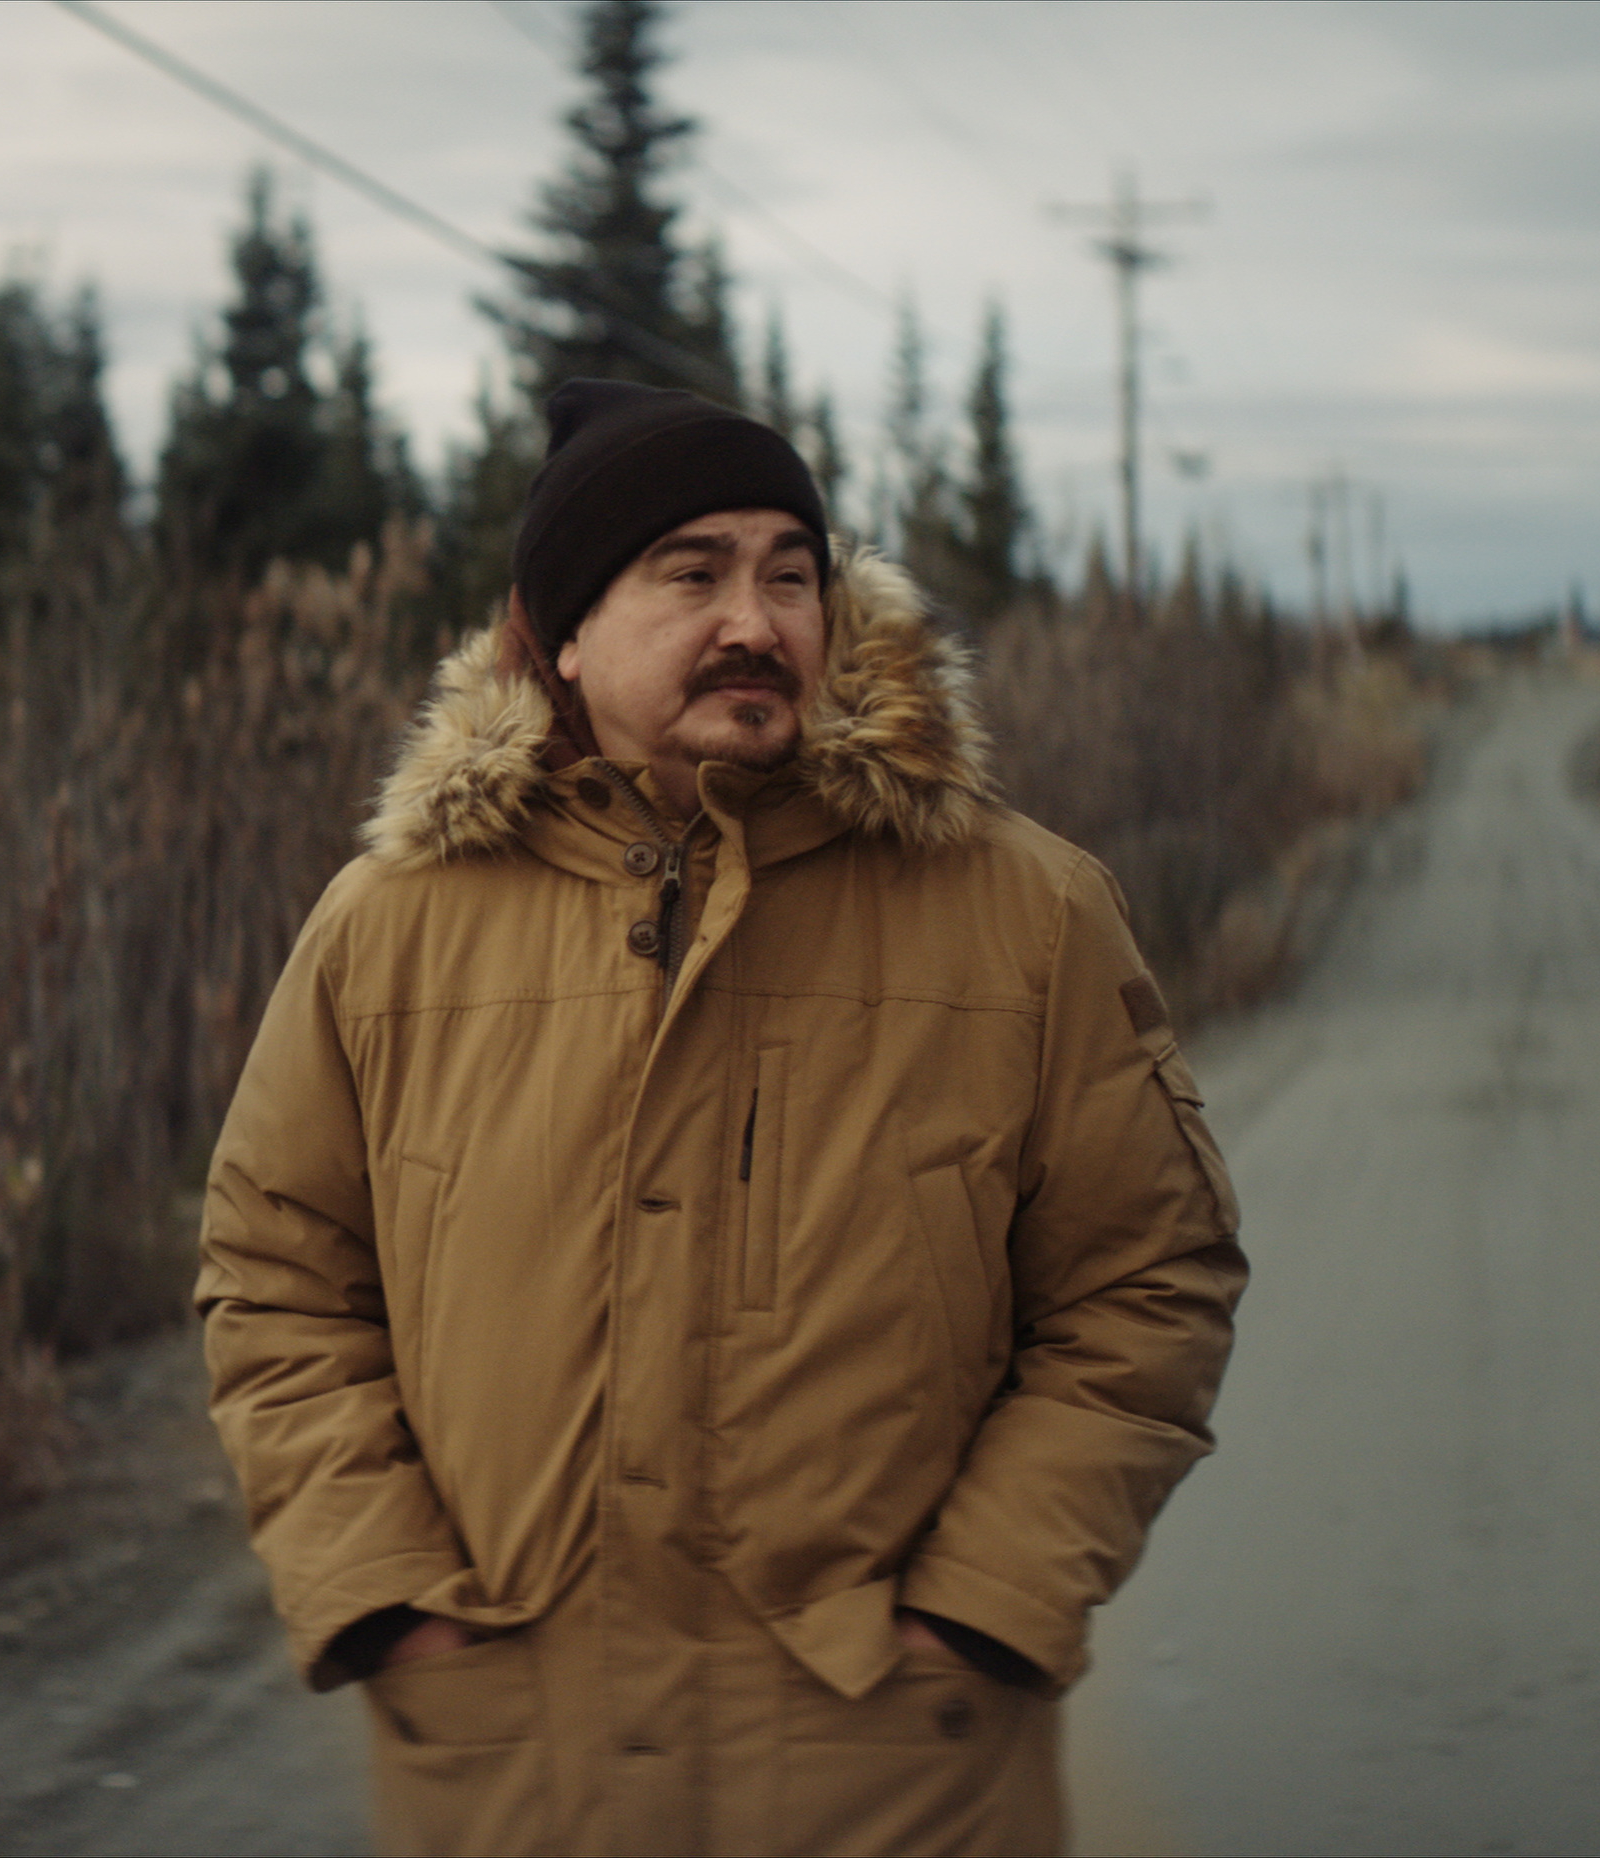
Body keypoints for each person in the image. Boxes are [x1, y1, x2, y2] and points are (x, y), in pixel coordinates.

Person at [195, 379, 1245, 1857]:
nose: (755, 618)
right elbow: (275, 1272)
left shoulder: (1027, 914)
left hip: (890, 1768)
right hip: (520, 1771)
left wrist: (991, 1607)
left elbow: (1149, 1279)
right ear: (562, 633)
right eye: (691, 572)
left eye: (790, 573)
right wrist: (384, 1595)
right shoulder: (392, 930)